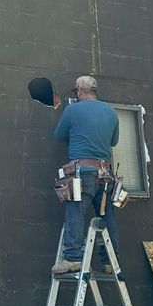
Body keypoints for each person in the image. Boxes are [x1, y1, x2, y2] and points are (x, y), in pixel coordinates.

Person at [51, 75, 119, 274]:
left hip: (83, 173)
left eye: (76, 92)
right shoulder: (112, 113)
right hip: (106, 175)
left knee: (75, 212)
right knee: (107, 216)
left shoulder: (73, 110)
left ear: (80, 91)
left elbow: (59, 135)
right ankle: (110, 262)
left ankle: (72, 258)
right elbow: (114, 142)